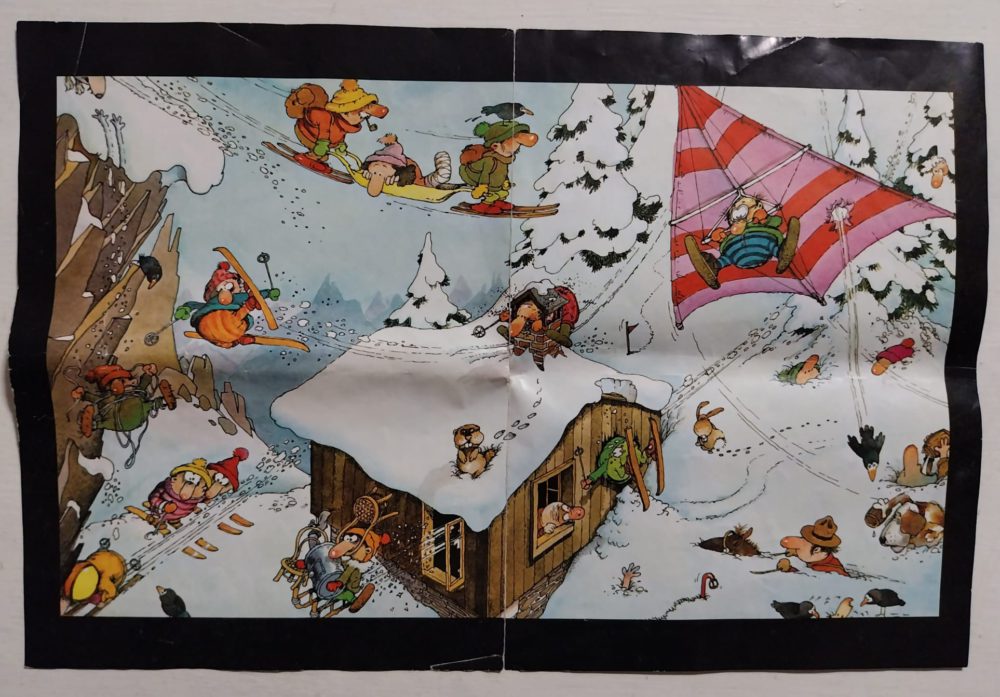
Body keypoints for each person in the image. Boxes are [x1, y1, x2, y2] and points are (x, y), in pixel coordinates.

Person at [684, 194, 800, 289]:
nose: (741, 209)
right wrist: (719, 237)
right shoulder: (733, 230)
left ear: (759, 206)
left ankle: (782, 254)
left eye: (746, 206)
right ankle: (711, 267)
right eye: (736, 209)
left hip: (762, 241)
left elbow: (776, 221)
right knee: (726, 257)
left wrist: (765, 218)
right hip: (734, 252)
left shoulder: (760, 222)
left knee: (769, 243)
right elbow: (724, 238)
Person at [459, 120, 538, 214]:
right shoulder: (490, 160)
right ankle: (483, 205)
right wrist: (482, 187)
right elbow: (485, 174)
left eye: (517, 144)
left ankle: (497, 202)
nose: (516, 146)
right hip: (476, 176)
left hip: (495, 182)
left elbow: (502, 172)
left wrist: (505, 181)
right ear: (495, 146)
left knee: (502, 192)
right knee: (491, 194)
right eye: (513, 142)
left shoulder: (503, 159)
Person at [779, 515, 849, 576]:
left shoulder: (827, 570)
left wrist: (789, 569)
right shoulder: (822, 559)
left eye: (801, 547)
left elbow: (806, 579)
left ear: (816, 550)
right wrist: (796, 553)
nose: (797, 548)